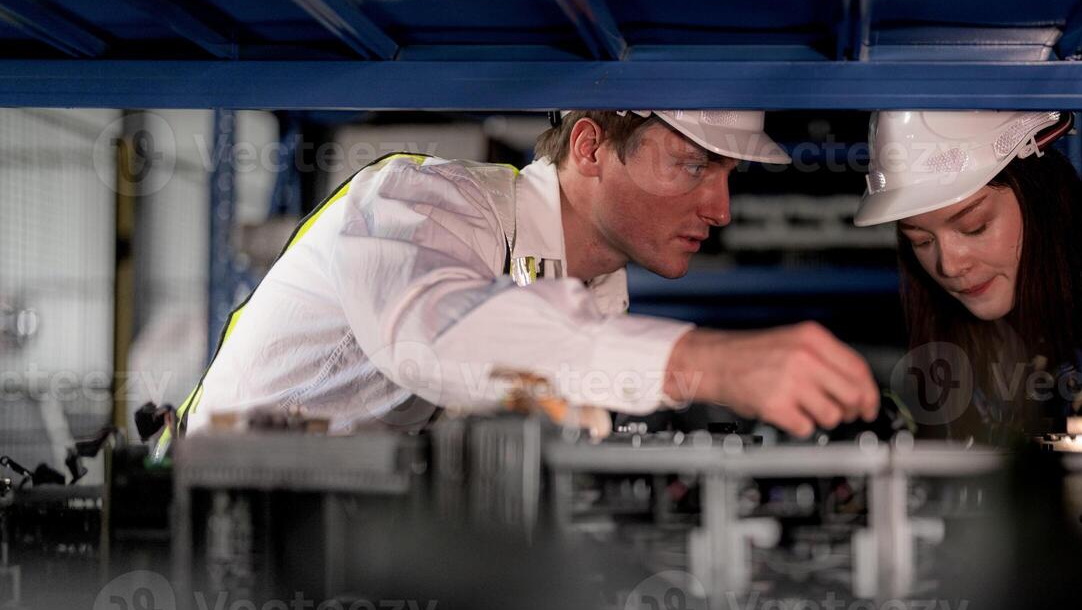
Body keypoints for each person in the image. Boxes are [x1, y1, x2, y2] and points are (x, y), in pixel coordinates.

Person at [161, 110, 879, 450]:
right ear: (591, 146)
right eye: (693, 166)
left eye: (728, 176)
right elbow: (440, 337)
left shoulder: (594, 292)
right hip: (210, 531)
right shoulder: (422, 200)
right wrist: (703, 360)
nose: (721, 208)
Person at [854, 110, 1082, 439]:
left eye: (974, 227)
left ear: (1040, 196)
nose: (949, 265)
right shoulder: (963, 344)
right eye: (921, 241)